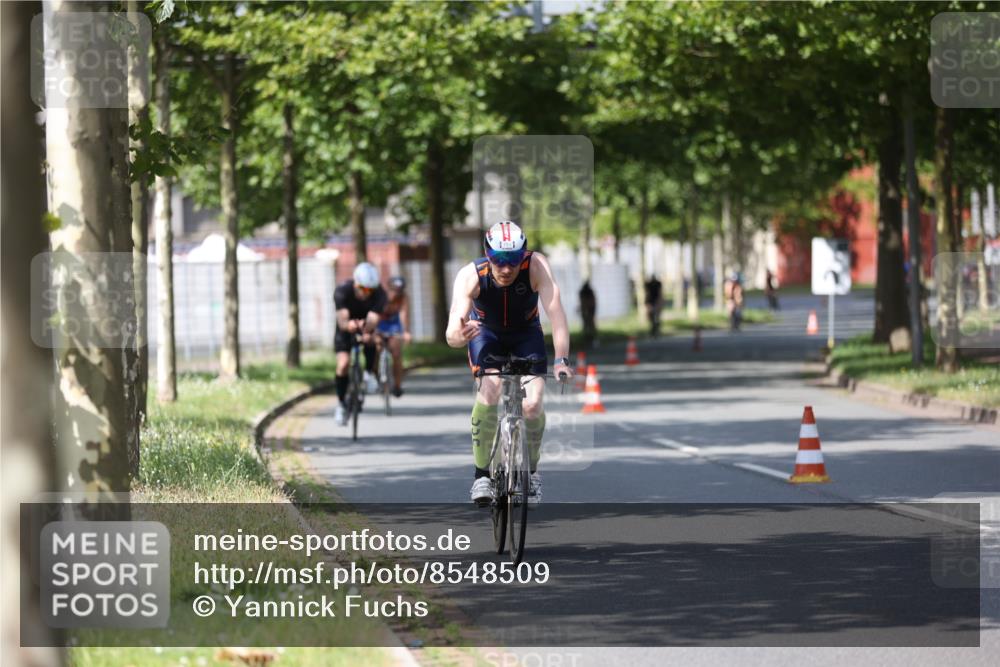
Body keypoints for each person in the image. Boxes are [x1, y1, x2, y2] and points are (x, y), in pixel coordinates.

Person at [445, 221, 573, 506]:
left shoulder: (537, 266)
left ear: (523, 255)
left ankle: (531, 472)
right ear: (487, 255)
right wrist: (458, 335)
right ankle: (481, 475)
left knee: (532, 403)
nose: (506, 268)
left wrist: (562, 359)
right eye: (499, 261)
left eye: (513, 259)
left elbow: (557, 315)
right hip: (484, 333)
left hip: (526, 333)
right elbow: (453, 329)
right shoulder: (472, 275)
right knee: (490, 389)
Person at [333, 262, 386, 426]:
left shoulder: (380, 294)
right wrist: (350, 325)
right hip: (346, 328)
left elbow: (373, 319)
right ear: (356, 283)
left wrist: (365, 329)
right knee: (343, 365)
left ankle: (368, 374)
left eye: (370, 290)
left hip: (366, 326)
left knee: (372, 340)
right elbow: (342, 320)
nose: (367, 293)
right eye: (363, 289)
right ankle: (341, 403)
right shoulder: (342, 291)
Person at [375, 276, 412, 397]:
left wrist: (406, 332)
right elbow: (373, 314)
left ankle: (397, 385)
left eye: (399, 291)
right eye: (394, 290)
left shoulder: (403, 298)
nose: (396, 294)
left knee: (396, 352)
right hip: (379, 323)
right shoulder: (380, 296)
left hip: (393, 325)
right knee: (377, 348)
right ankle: (376, 375)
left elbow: (404, 314)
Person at [578, 280, 597, 349]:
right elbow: (582, 302)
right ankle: (587, 339)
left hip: (590, 309)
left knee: (590, 324)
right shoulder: (583, 292)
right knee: (587, 324)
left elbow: (591, 302)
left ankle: (591, 338)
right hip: (587, 309)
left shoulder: (588, 292)